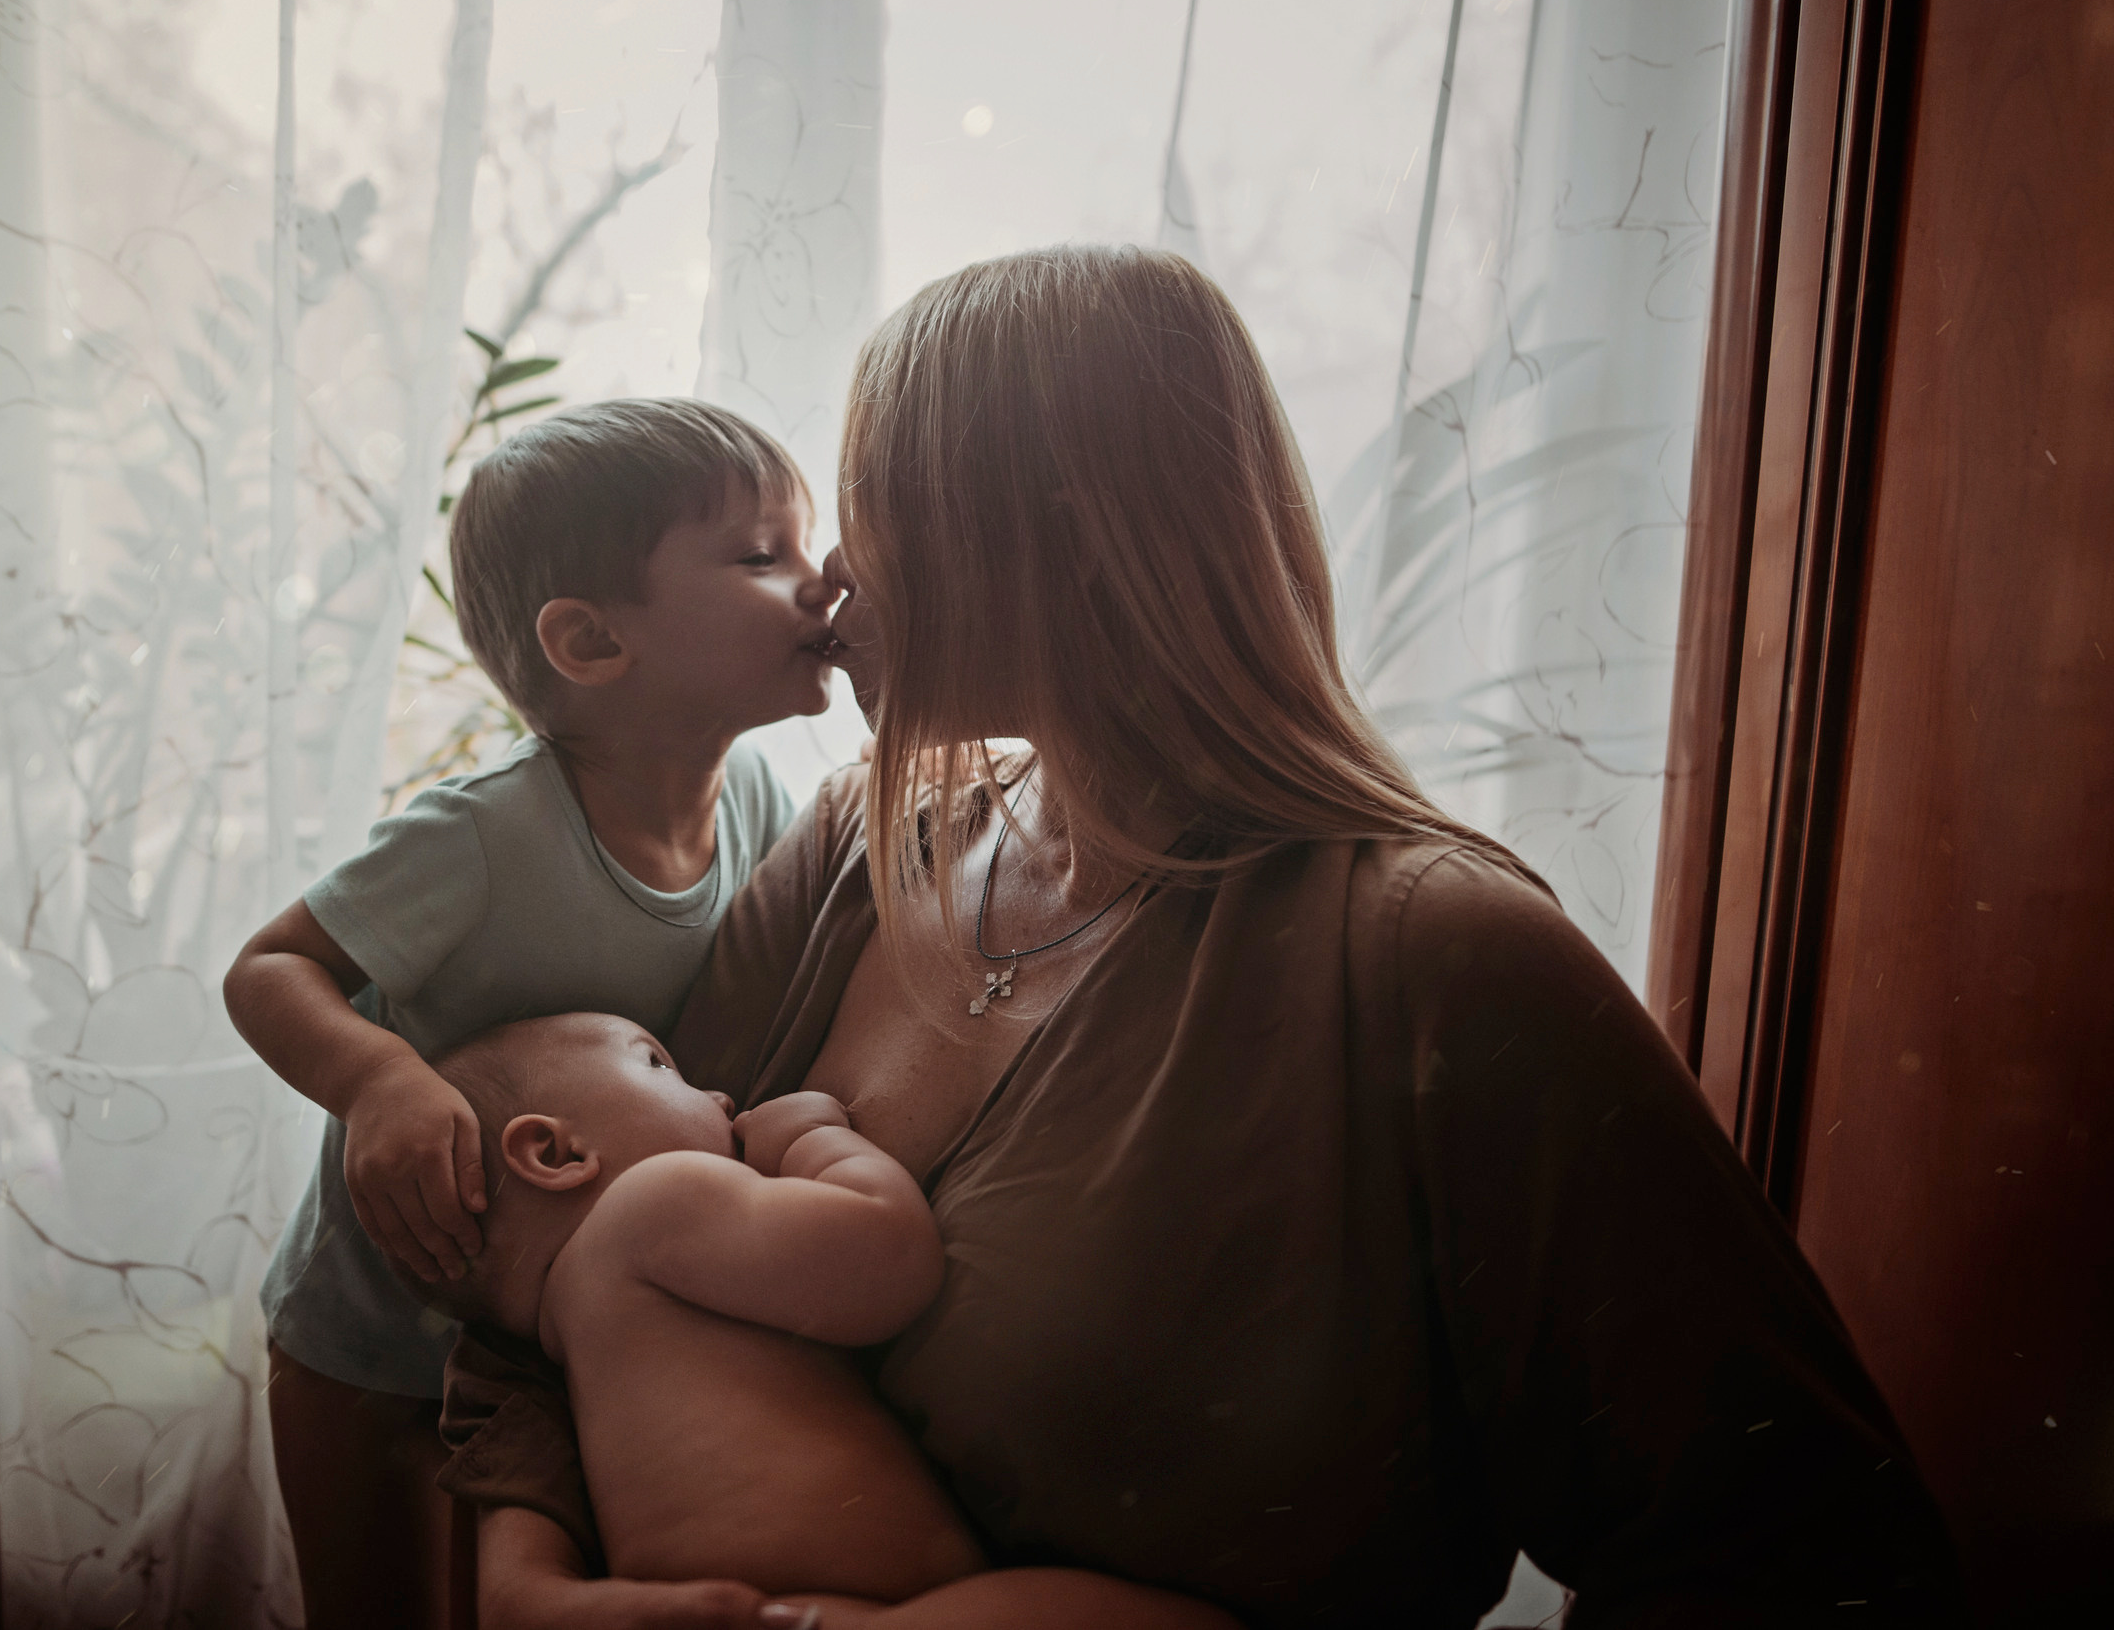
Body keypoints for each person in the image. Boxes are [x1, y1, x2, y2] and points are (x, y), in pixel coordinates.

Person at [437, 246, 1967, 1628]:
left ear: (1064, 546)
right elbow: (579, 1228)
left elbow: (1803, 1559)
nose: (830, 581)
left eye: (871, 512)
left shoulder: (1438, 963)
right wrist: (529, 1582)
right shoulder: (853, 853)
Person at [222, 397, 841, 1627]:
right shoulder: (485, 832)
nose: (820, 585)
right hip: (366, 1336)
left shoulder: (766, 805)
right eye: (762, 556)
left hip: (554, 1349)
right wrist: (377, 1078)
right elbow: (268, 968)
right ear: (592, 641)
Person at [393, 1010, 1244, 1629]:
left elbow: (516, 1593)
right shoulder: (653, 1204)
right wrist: (815, 1139)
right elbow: (888, 1260)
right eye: (660, 1066)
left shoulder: (535, 1358)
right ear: (557, 1154)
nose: (720, 1092)